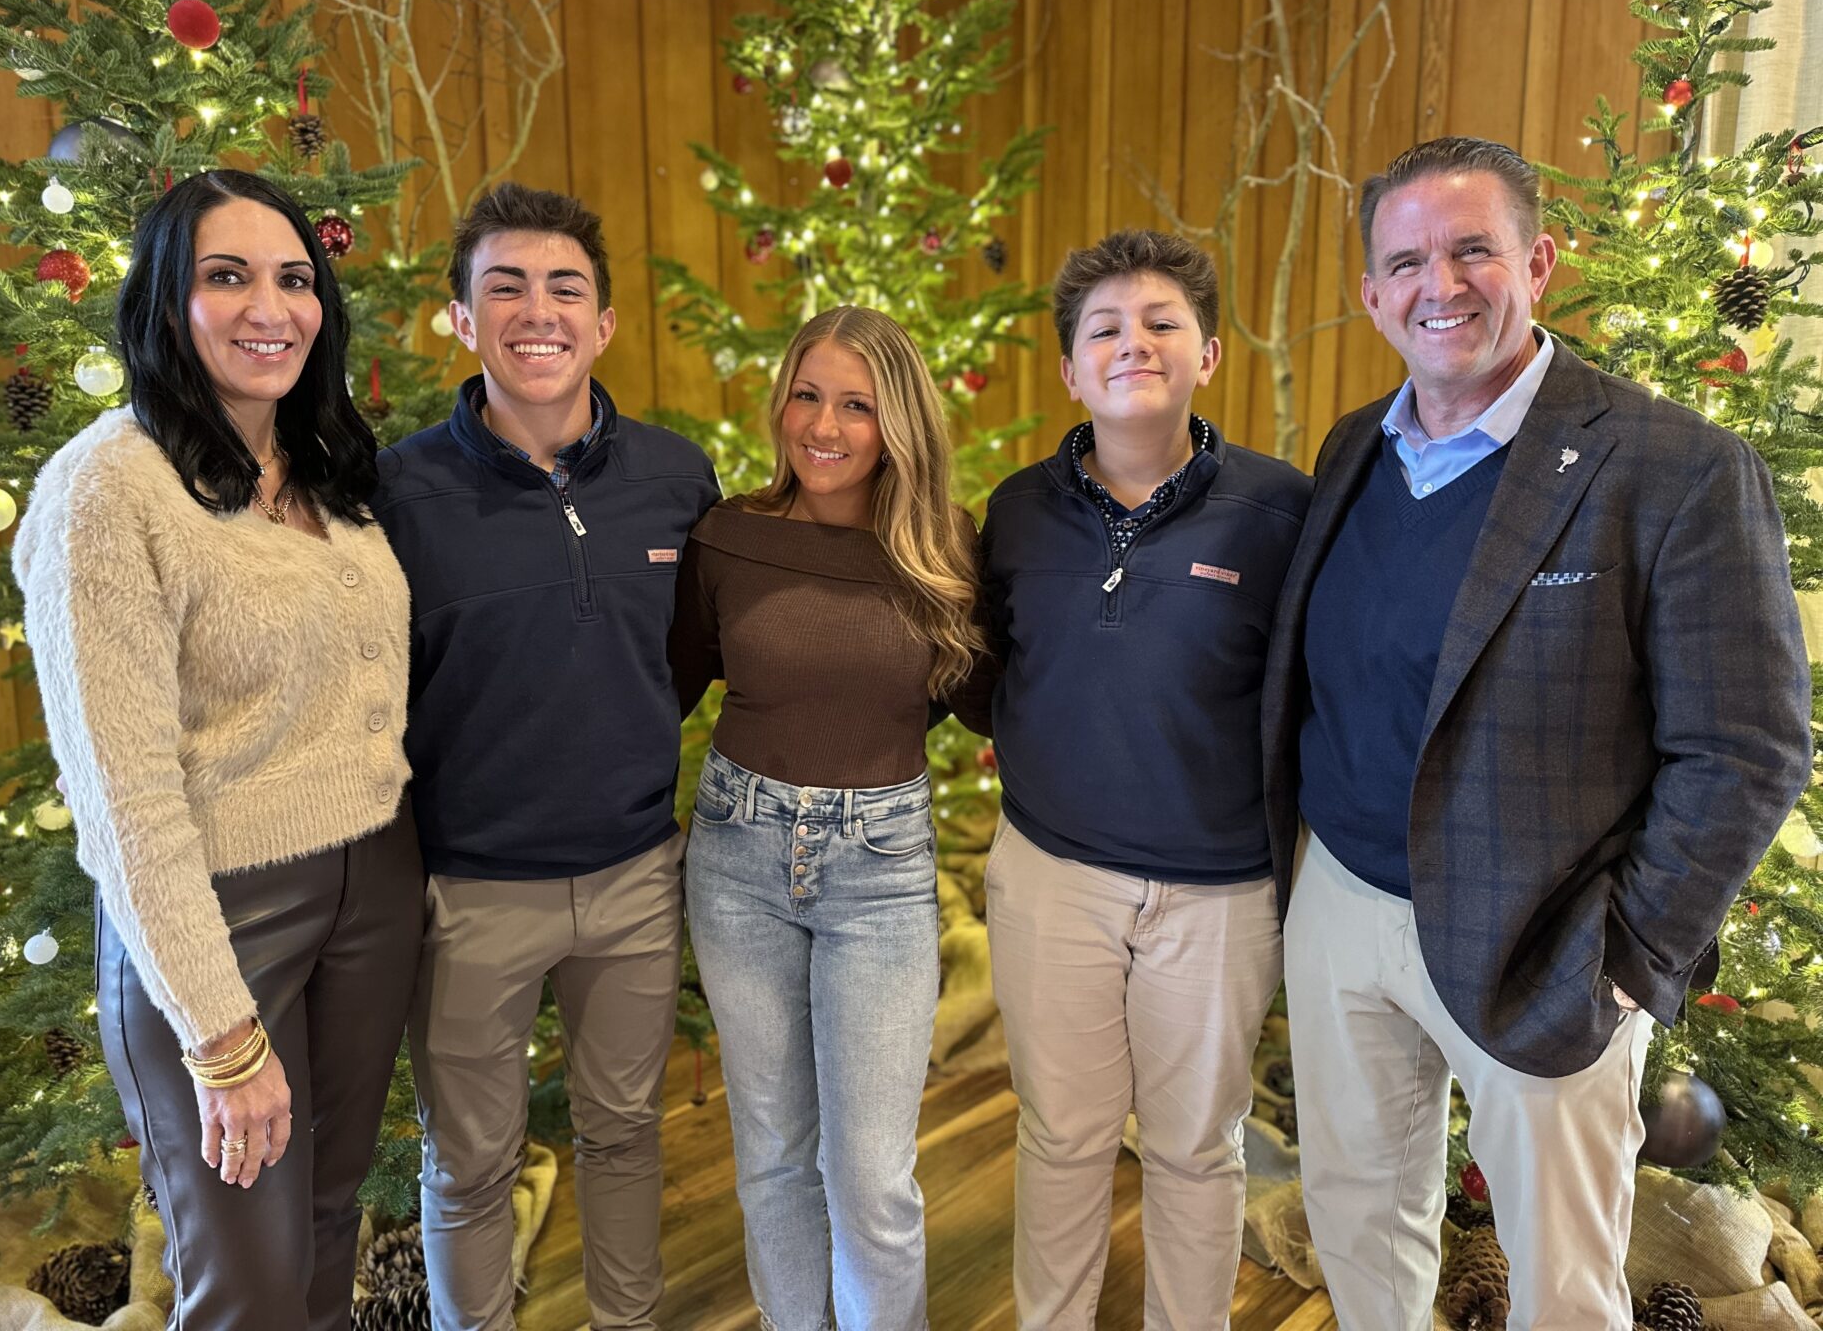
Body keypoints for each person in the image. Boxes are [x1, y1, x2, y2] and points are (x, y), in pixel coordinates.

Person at [1260, 135, 1812, 1328]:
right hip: (1344, 903)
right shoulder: (1356, 447)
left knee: (1562, 1279)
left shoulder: (1677, 470)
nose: (1440, 285)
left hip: (1544, 934)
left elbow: (1749, 749)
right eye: (1406, 261)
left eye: (1474, 250)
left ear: (1540, 261)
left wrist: (1628, 957)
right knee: (1360, 1222)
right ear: (1370, 293)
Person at [13, 170, 421, 1331]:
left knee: (331, 1224)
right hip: (222, 914)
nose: (270, 307)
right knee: (245, 1278)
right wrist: (221, 1039)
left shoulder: (326, 470)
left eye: (294, 279)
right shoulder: (107, 488)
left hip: (376, 884)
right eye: (226, 276)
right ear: (164, 303)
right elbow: (120, 794)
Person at [369, 184, 718, 1331]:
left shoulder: (677, 477)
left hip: (632, 879)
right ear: (461, 321)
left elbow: (691, 653)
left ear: (604, 323)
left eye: (565, 287)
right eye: (504, 286)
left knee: (622, 1135)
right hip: (469, 892)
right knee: (471, 1166)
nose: (538, 311)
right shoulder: (400, 492)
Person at [954, 229, 1311, 1329]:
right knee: (1061, 1134)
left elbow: (1311, 694)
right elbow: (983, 667)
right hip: (1052, 876)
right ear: (1069, 369)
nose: (1133, 344)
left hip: (1218, 896)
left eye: (1162, 323)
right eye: (1104, 329)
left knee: (1197, 1147)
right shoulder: (1014, 510)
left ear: (1209, 354)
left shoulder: (1281, 510)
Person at [669, 305, 983, 1331]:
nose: (826, 425)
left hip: (879, 869)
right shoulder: (729, 536)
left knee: (873, 1178)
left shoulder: (945, 554)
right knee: (771, 1155)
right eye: (808, 394)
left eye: (858, 403)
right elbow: (667, 682)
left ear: (899, 422)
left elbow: (974, 697)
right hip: (737, 856)